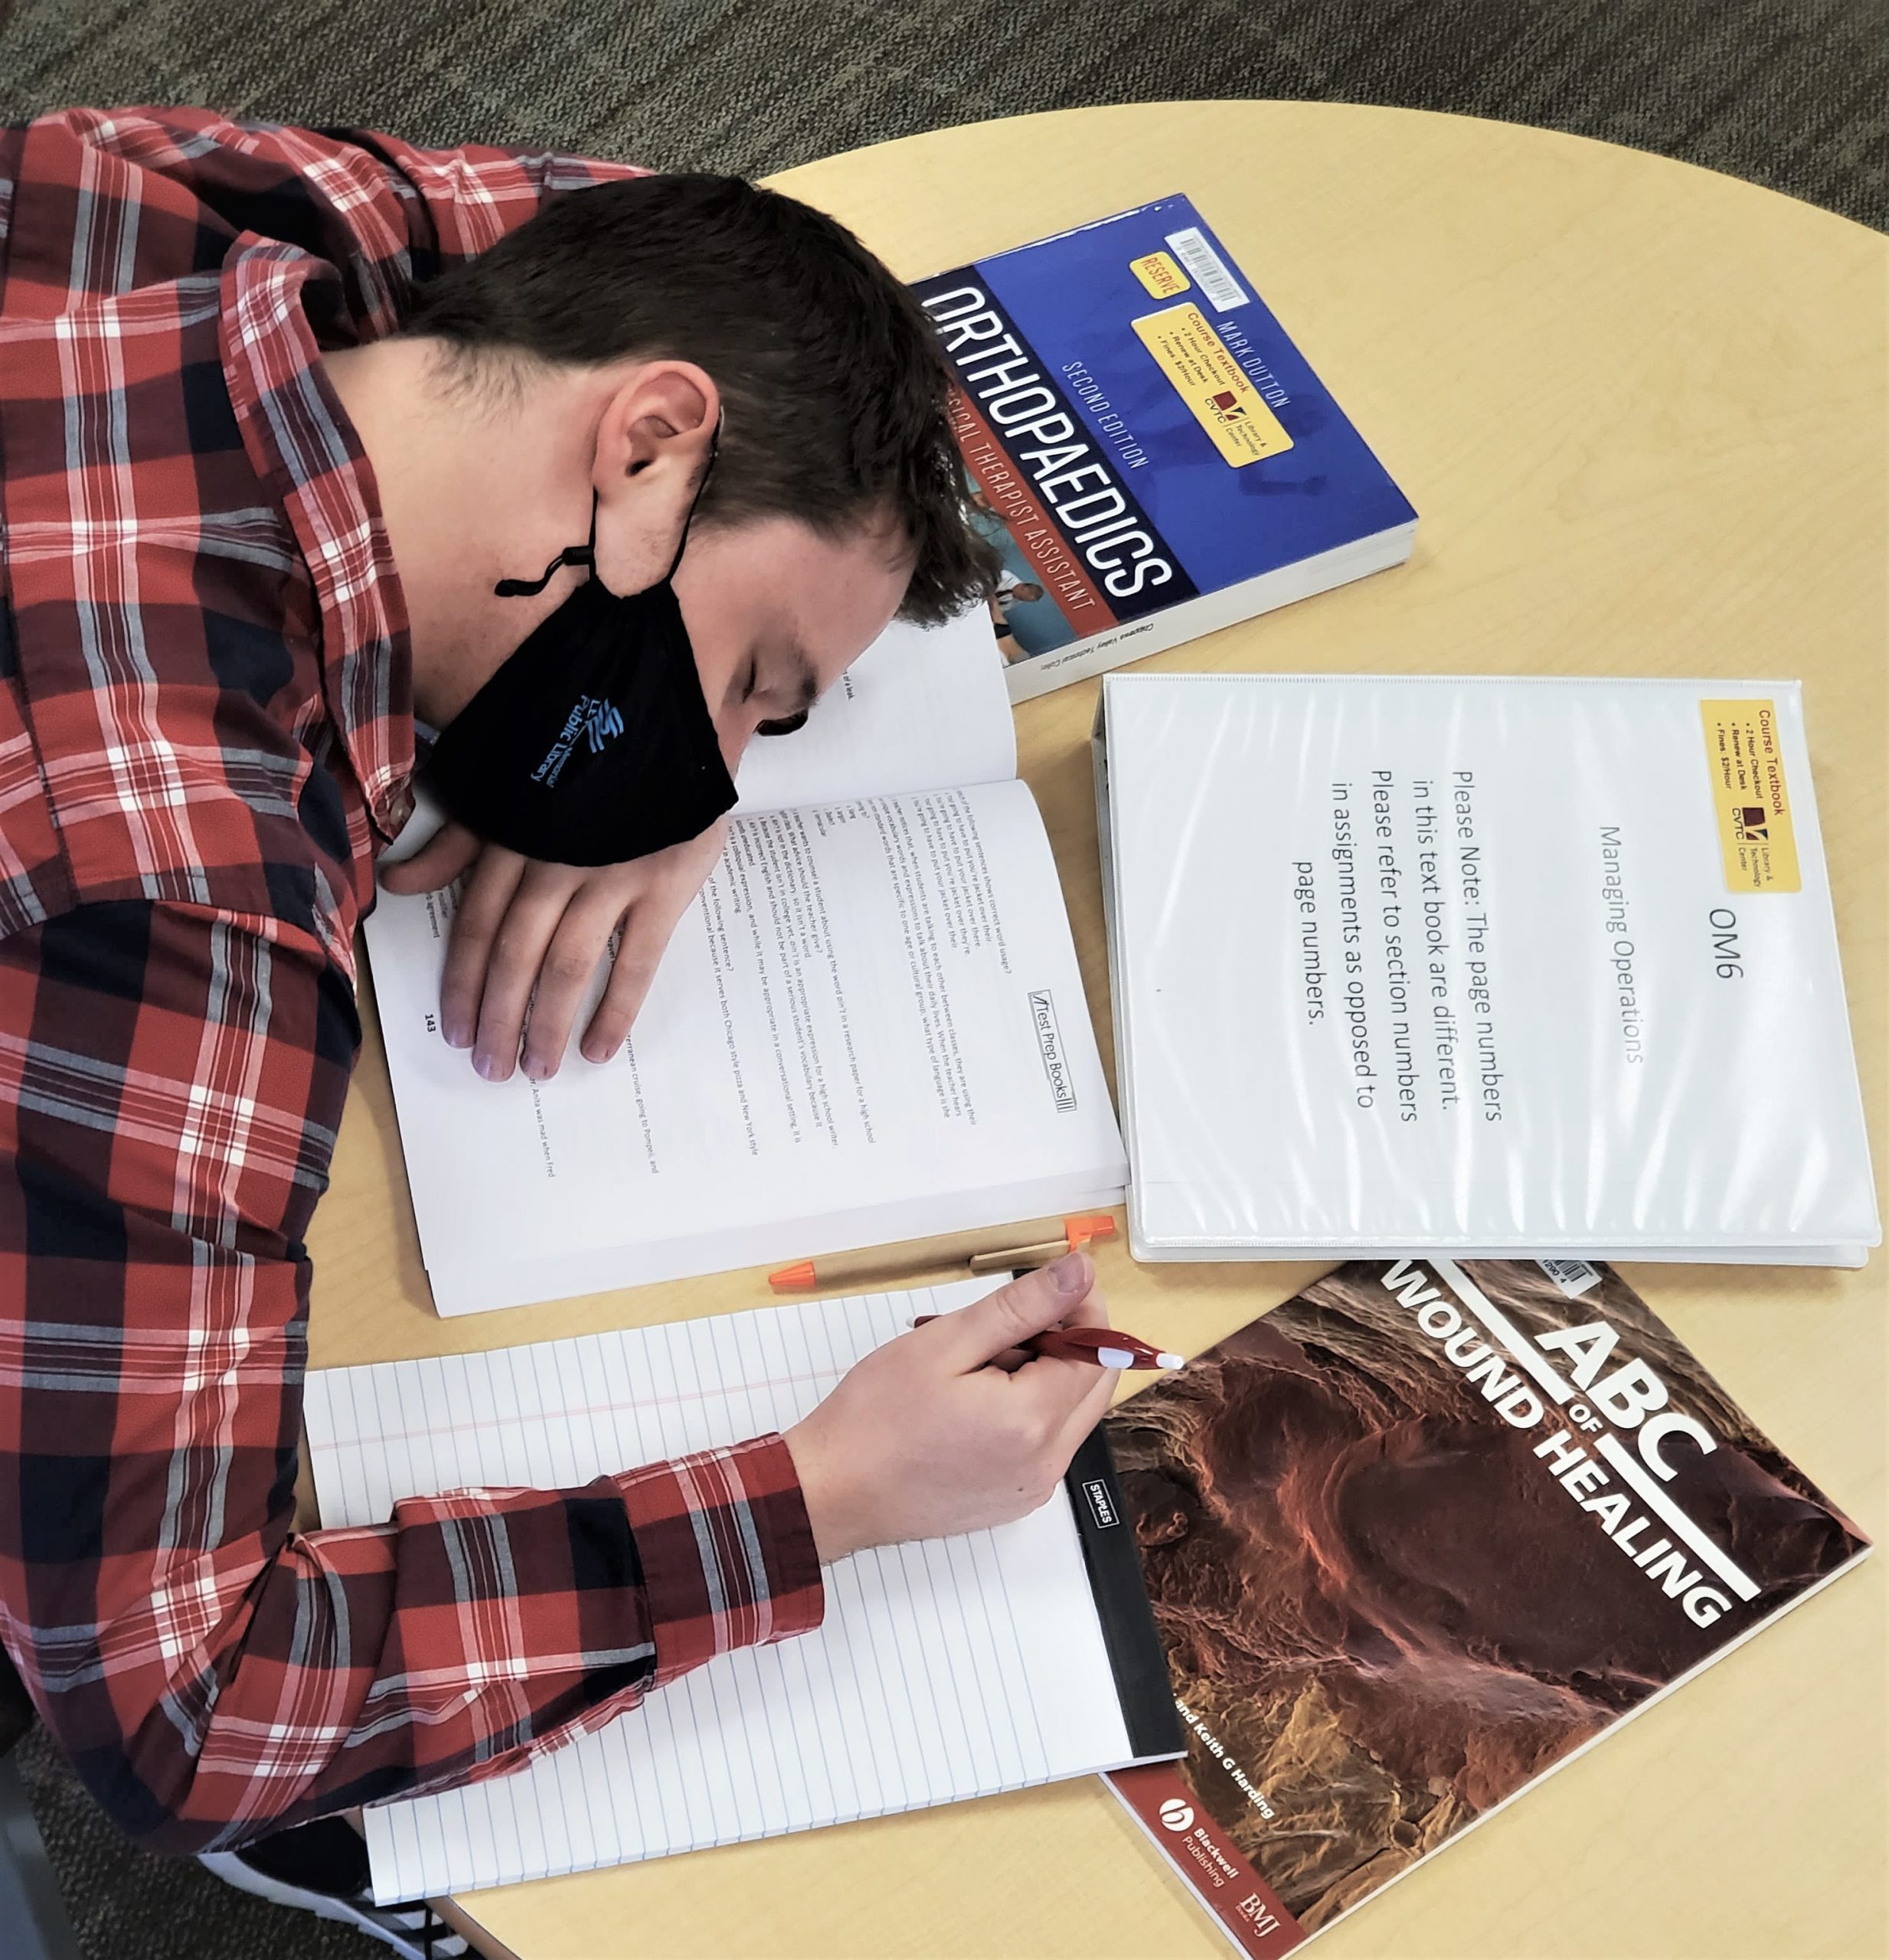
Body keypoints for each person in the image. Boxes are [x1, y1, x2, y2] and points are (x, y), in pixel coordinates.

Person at [0, 107, 1119, 1955]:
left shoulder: (145, 213)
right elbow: (183, 1704)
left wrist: (649, 741)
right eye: (759, 687)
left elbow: (704, 237)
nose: (733, 774)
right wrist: (817, 1496)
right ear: (647, 441)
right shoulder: (183, 891)